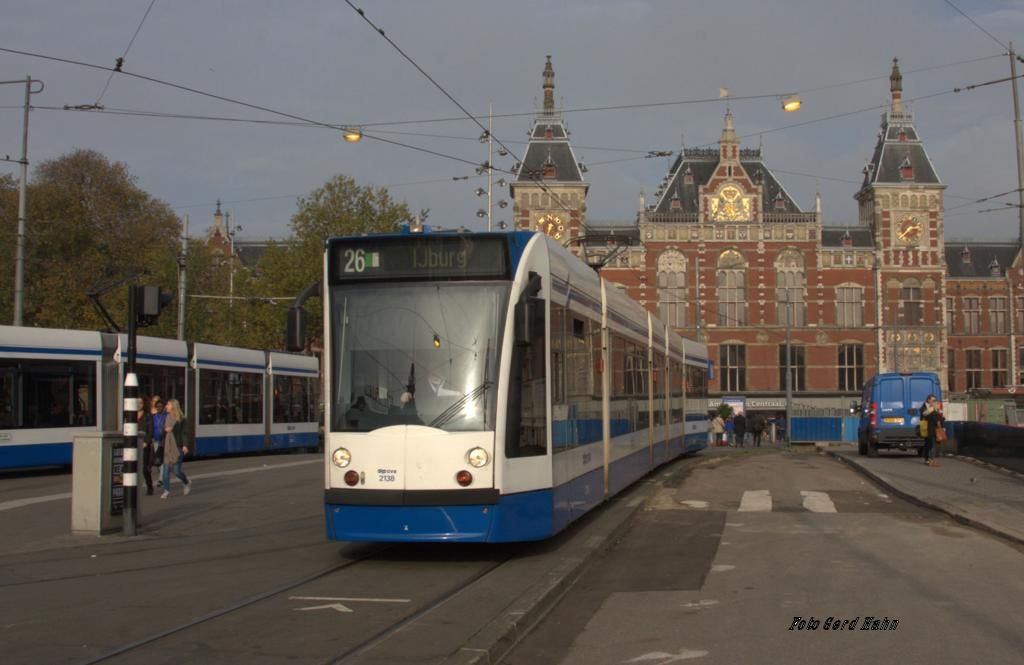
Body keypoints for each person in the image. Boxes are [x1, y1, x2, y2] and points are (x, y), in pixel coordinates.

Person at [160, 398, 192, 498]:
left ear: (173, 406)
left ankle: (186, 482)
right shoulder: (166, 417)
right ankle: (166, 490)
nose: (166, 406)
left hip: (177, 446)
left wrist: (185, 445)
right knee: (165, 469)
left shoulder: (182, 419)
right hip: (167, 446)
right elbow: (162, 432)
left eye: (168, 405)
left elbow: (185, 433)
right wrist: (165, 430)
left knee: (177, 471)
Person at [919, 394, 945, 467]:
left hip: (930, 428)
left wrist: (938, 411)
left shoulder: (933, 408)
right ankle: (930, 460)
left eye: (935, 400)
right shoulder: (925, 407)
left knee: (929, 444)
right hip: (927, 427)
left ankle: (928, 459)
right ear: (929, 400)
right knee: (930, 444)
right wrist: (934, 409)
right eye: (933, 400)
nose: (934, 401)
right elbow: (924, 414)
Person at [137, 395, 155, 495]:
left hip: (144, 444)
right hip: (133, 444)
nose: (138, 405)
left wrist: (146, 442)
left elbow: (150, 430)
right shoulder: (129, 415)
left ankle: (150, 486)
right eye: (136, 403)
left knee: (144, 468)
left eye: (140, 403)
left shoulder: (148, 416)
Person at [151, 396, 166, 487]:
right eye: (157, 406)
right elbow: (152, 428)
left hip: (164, 441)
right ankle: (163, 474)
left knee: (161, 460)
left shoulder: (166, 416)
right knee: (157, 461)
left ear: (163, 407)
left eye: (161, 406)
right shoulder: (154, 417)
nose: (159, 408)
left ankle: (161, 479)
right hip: (156, 440)